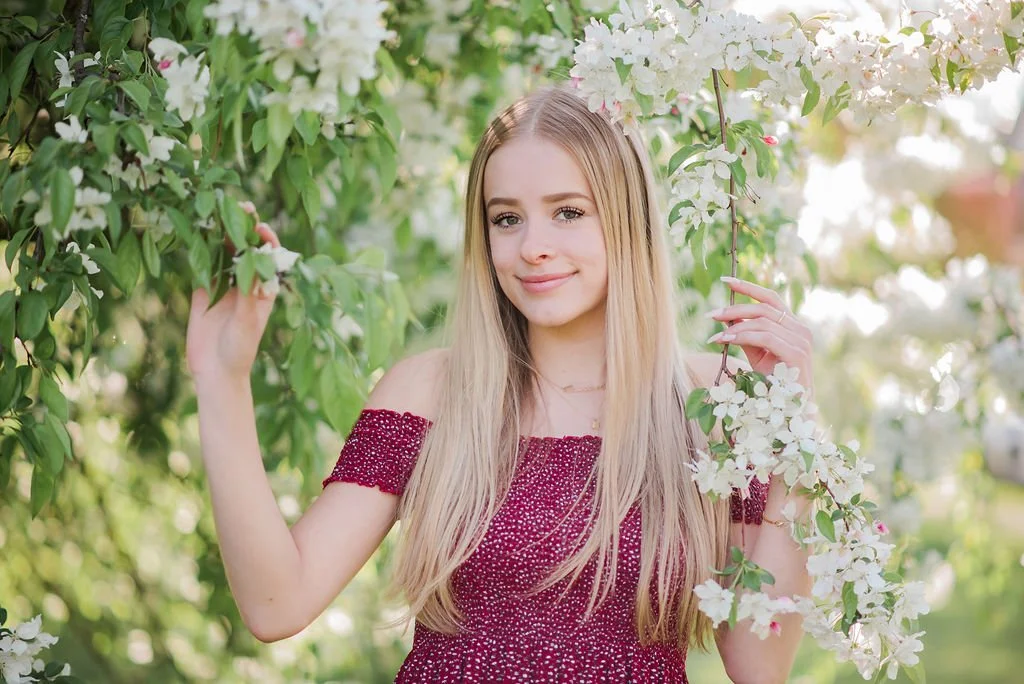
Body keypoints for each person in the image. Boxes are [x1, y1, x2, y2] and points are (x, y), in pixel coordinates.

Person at [186, 84, 814, 683]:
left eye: (568, 212)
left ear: (627, 221)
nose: (533, 246)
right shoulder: (429, 394)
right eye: (506, 219)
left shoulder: (711, 404)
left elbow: (758, 666)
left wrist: (794, 445)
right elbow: (277, 605)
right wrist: (222, 379)